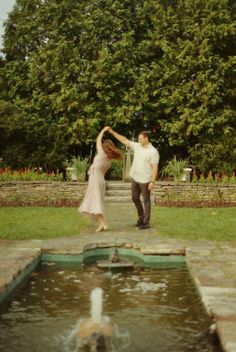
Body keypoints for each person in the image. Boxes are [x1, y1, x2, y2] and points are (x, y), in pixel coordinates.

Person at [107, 127, 159, 229]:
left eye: (140, 139)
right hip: (135, 178)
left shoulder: (153, 152)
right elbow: (124, 140)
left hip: (145, 180)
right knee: (134, 198)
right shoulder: (137, 146)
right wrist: (113, 132)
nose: (138, 140)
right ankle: (141, 218)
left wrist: (152, 181)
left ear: (146, 138)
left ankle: (146, 222)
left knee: (146, 200)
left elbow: (155, 167)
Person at [79, 127, 123, 232]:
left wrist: (103, 131)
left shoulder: (101, 153)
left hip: (95, 180)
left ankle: (103, 224)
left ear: (104, 147)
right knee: (95, 201)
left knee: (95, 202)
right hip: (100, 180)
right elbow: (103, 173)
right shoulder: (109, 160)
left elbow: (98, 140)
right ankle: (102, 224)